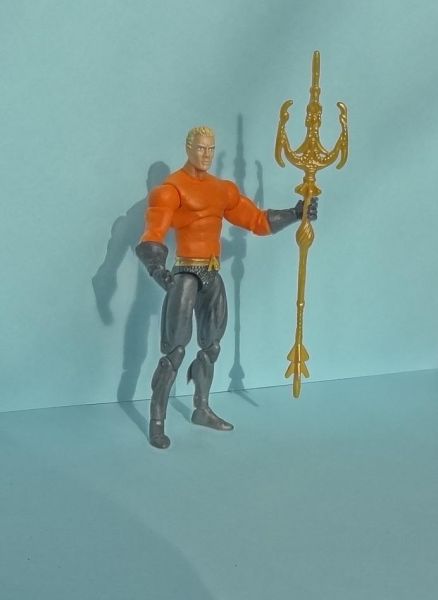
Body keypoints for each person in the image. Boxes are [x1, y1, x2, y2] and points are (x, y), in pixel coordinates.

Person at [136, 126, 317, 449]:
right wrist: (158, 270)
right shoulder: (170, 190)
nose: (206, 154)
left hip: (212, 273)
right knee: (175, 351)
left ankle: (201, 409)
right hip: (185, 273)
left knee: (212, 346)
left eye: (210, 148)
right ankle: (157, 420)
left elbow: (257, 221)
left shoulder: (222, 190)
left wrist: (295, 213)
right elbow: (153, 234)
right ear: (188, 147)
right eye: (200, 148)